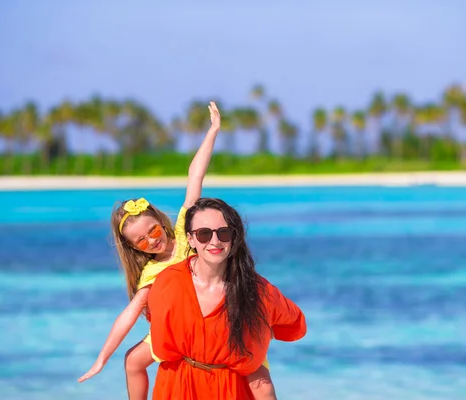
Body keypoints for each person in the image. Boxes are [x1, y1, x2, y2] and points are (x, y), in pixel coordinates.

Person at [78, 103, 277, 400]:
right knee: (132, 361)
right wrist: (102, 357)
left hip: (218, 316)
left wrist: (213, 131)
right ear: (133, 248)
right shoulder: (152, 272)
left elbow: (194, 177)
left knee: (255, 367)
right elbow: (130, 313)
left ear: (161, 221)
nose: (151, 241)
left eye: (153, 232)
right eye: (141, 242)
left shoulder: (188, 233)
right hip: (178, 329)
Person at [148, 197, 307, 400]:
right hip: (177, 386)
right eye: (204, 234)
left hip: (231, 390)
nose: (215, 241)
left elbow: (296, 324)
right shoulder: (168, 282)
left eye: (223, 232)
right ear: (190, 239)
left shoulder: (257, 290)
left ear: (234, 237)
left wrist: (258, 333)